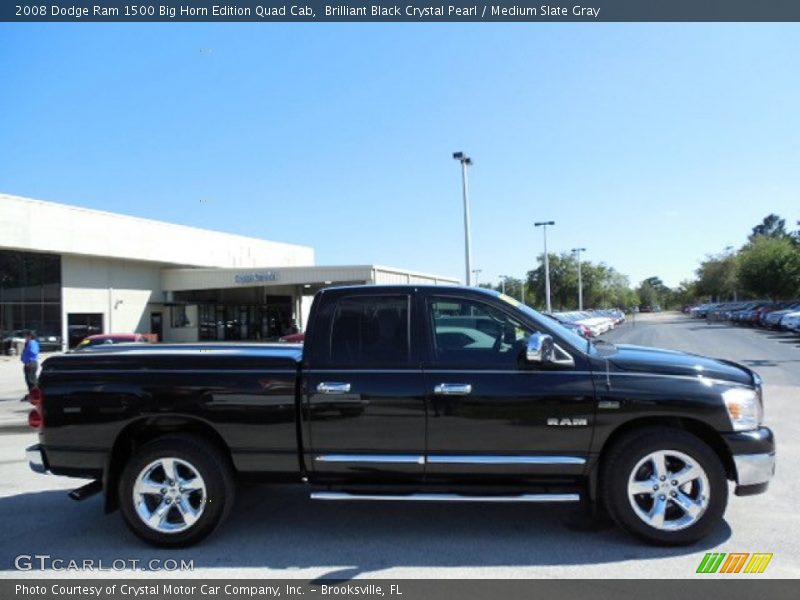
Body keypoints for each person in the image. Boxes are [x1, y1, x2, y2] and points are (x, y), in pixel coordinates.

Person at [21, 330, 40, 397]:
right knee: (31, 379)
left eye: (26, 336)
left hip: (30, 363)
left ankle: (34, 394)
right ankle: (34, 393)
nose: (25, 337)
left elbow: (33, 352)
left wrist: (28, 359)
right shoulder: (30, 342)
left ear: (30, 336)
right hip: (30, 363)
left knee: (30, 380)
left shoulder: (32, 342)